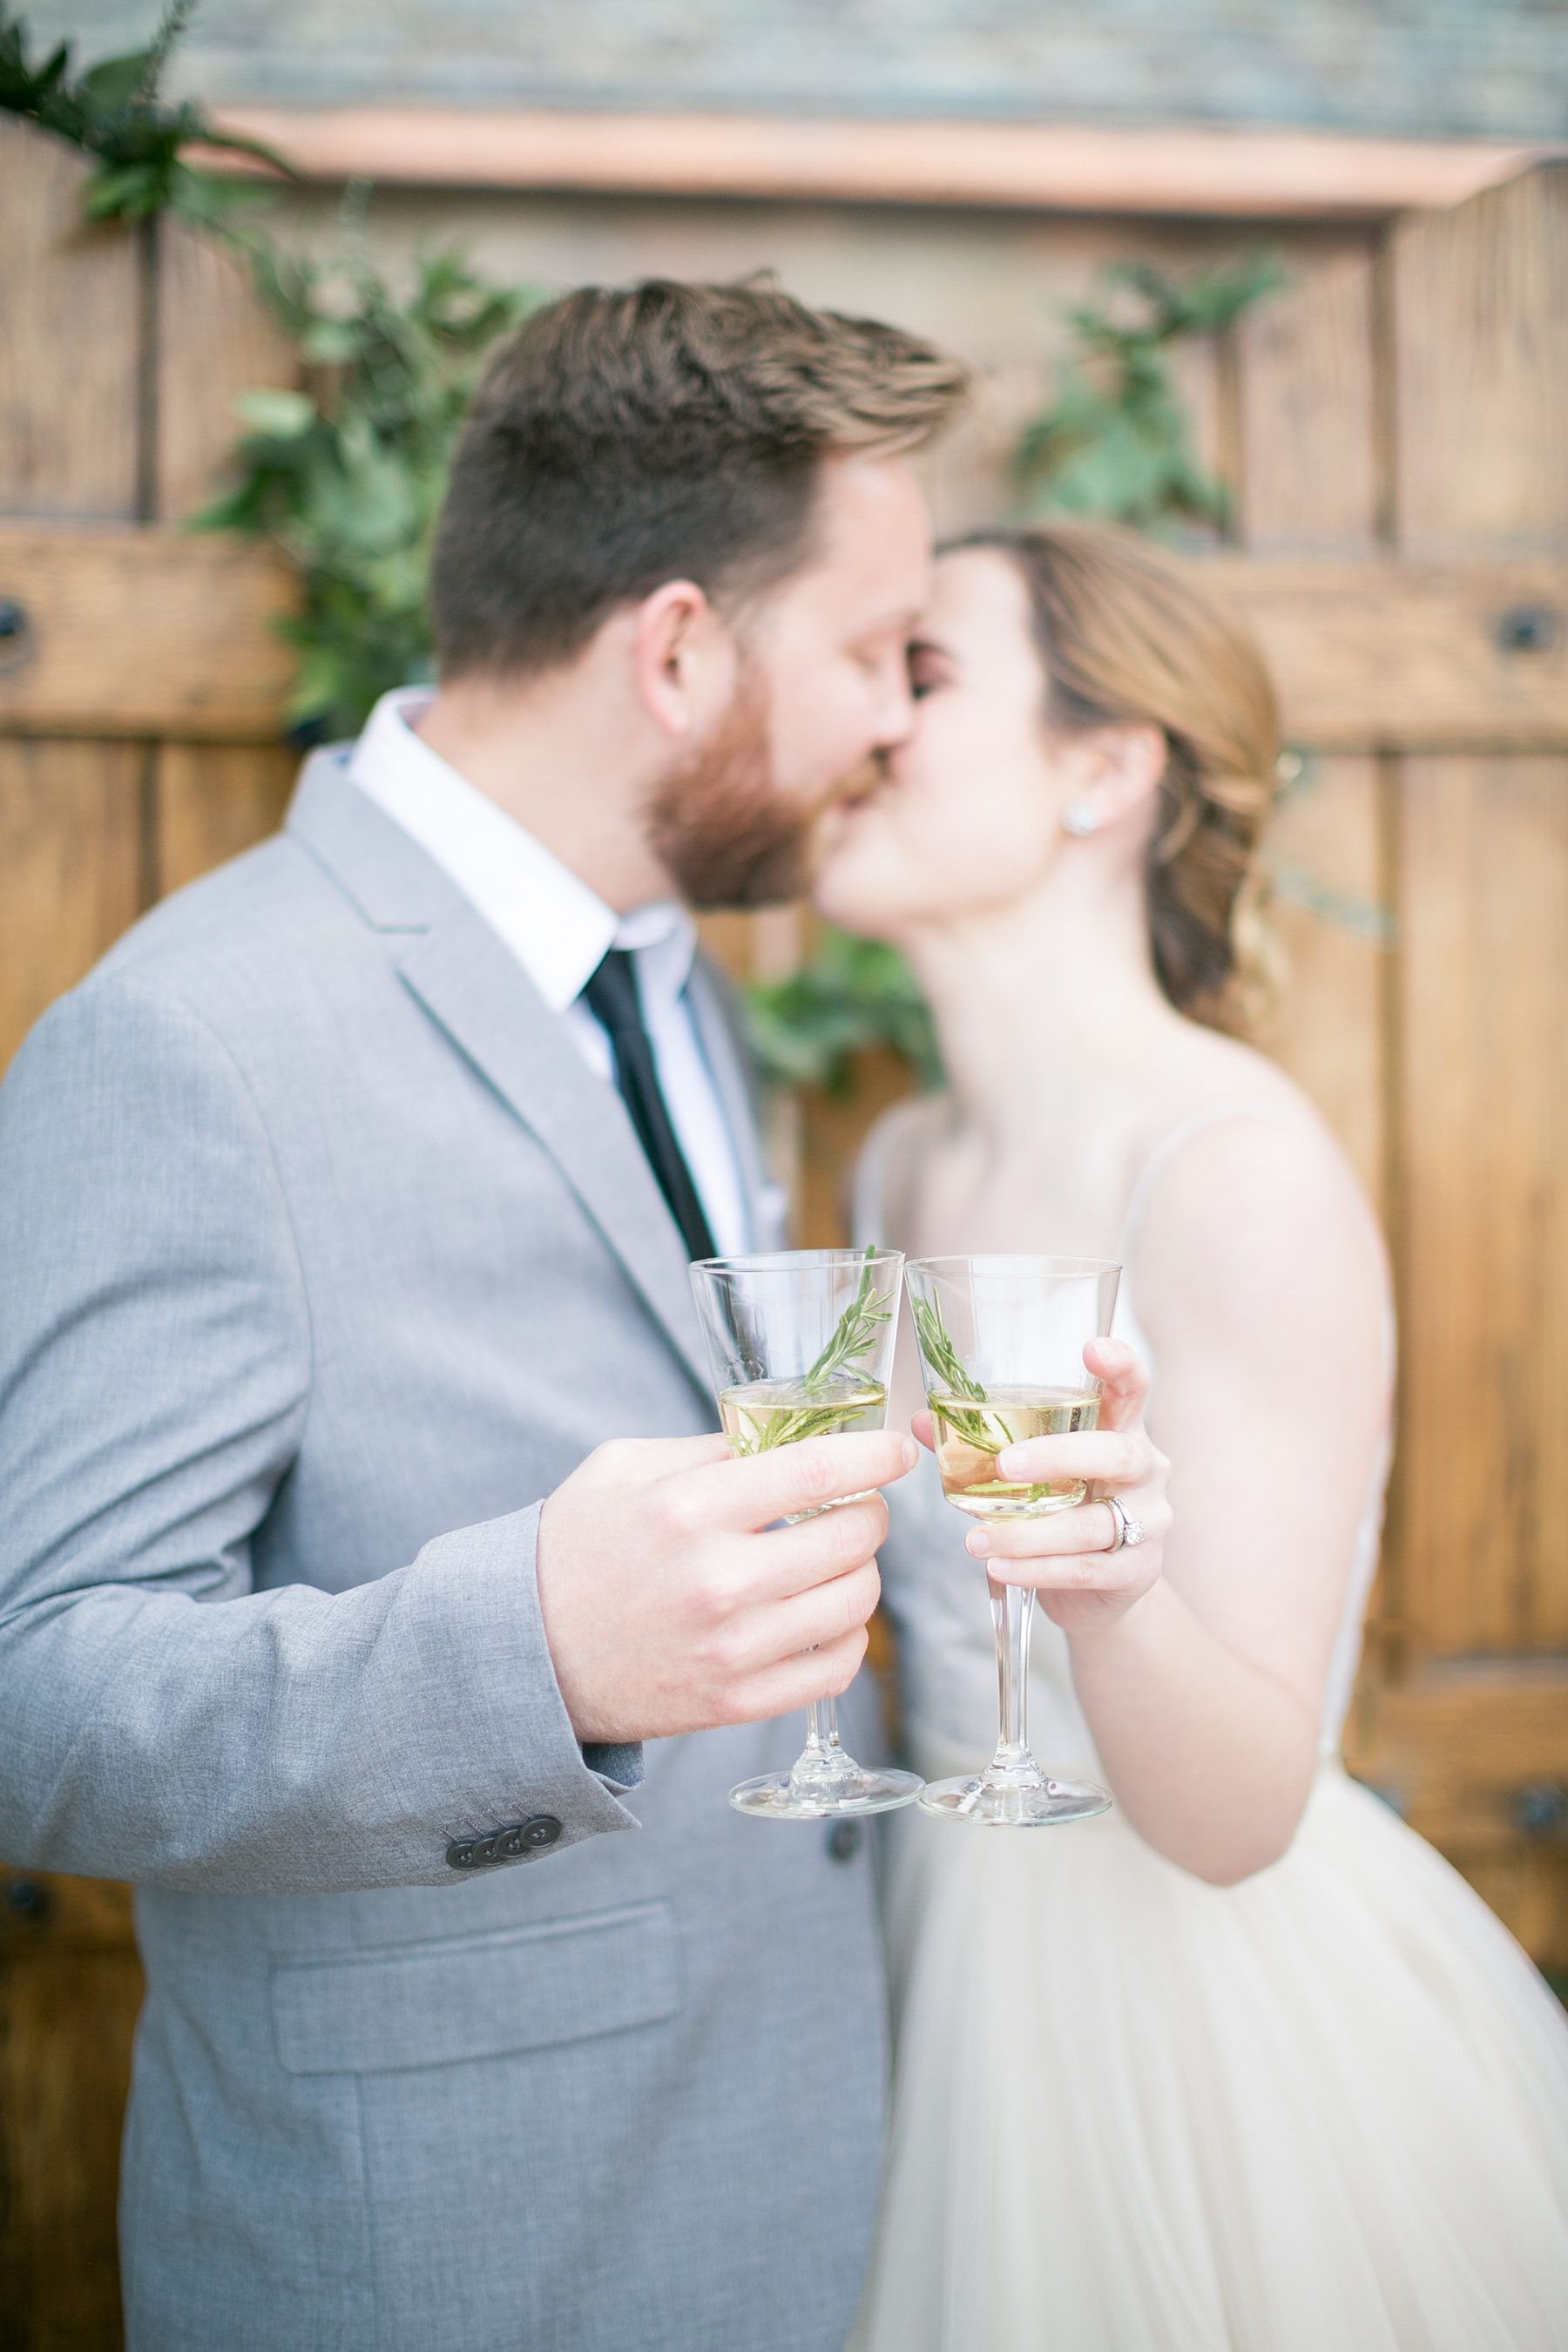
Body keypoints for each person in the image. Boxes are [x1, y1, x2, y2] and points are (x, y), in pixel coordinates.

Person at [0, 287, 1168, 2352]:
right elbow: (32, 1693)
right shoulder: (190, 1039)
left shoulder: (685, 977)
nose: (906, 715)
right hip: (458, 2261)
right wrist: (531, 1648)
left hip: (802, 2171)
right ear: (680, 648)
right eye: (878, 654)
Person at [814, 522, 1568, 2351]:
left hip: (1190, 2027)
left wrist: (1118, 1605)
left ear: (1101, 766)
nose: (858, 718)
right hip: (926, 1948)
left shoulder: (1236, 1180)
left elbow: (1238, 1818)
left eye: (920, 675)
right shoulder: (899, 1159)